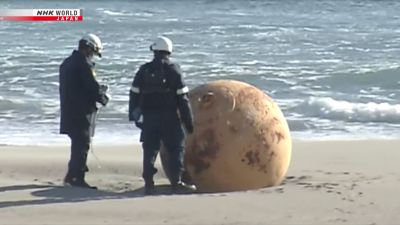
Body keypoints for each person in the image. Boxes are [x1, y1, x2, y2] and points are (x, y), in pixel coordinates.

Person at [129, 36, 194, 195]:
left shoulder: (144, 70)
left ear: (155, 51)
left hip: (149, 118)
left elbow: (134, 94)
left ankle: (149, 184)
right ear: (169, 51)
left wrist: (134, 116)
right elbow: (183, 99)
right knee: (176, 148)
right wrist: (188, 122)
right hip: (170, 118)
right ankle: (176, 183)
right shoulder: (174, 69)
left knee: (150, 150)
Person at [59, 34, 109, 189]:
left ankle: (70, 175)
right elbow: (91, 87)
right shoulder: (84, 64)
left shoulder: (67, 62)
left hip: (68, 110)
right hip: (81, 112)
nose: (92, 55)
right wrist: (104, 98)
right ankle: (77, 178)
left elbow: (77, 86)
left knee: (77, 144)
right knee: (82, 144)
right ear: (88, 48)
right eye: (93, 52)